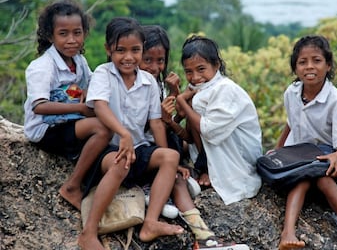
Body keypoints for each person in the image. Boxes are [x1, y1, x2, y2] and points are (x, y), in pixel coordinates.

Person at [77, 17, 184, 250]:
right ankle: (89, 232)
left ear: (142, 49)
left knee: (170, 157)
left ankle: (151, 223)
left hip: (138, 147)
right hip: (108, 150)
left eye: (135, 50)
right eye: (120, 50)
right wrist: (123, 134)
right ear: (108, 50)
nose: (128, 57)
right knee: (121, 162)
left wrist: (164, 152)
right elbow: (101, 107)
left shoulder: (148, 81)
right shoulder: (103, 74)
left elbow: (155, 123)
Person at [274, 35, 337, 250]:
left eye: (316, 60)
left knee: (321, 178)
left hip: (330, 155)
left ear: (328, 65)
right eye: (302, 62)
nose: (310, 66)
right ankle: (288, 233)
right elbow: (291, 122)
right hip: (300, 154)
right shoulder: (292, 93)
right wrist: (278, 149)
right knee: (303, 177)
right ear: (295, 67)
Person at [23, 0, 112, 211]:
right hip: (46, 128)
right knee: (102, 128)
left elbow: (94, 83)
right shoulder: (43, 66)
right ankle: (72, 186)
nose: (71, 40)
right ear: (50, 35)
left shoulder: (79, 62)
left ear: (85, 34)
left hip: (68, 122)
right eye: (63, 34)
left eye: (77, 33)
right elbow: (39, 106)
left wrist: (88, 94)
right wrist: (81, 108)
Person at [139, 25, 221, 248]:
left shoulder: (155, 84)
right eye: (148, 60)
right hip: (146, 148)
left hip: (158, 144)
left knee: (184, 145)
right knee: (176, 175)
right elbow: (155, 125)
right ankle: (203, 235)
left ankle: (205, 237)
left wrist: (175, 93)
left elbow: (177, 117)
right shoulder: (135, 84)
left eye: (160, 61)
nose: (155, 67)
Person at [176, 35, 263, 206]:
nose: (195, 77)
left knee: (198, 111)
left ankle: (214, 173)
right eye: (189, 71)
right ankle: (205, 168)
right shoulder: (199, 89)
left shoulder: (225, 89)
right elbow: (191, 135)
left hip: (239, 159)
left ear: (216, 65)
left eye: (201, 69)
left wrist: (182, 102)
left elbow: (210, 131)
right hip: (212, 150)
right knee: (196, 107)